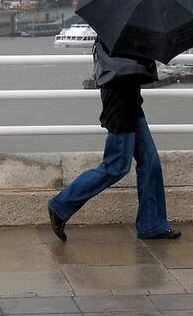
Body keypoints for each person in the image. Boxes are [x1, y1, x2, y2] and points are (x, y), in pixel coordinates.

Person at [47, 40, 181, 242]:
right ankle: (61, 204)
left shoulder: (128, 31)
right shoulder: (119, 36)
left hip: (130, 103)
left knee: (150, 162)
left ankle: (151, 225)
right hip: (120, 106)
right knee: (116, 165)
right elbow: (126, 71)